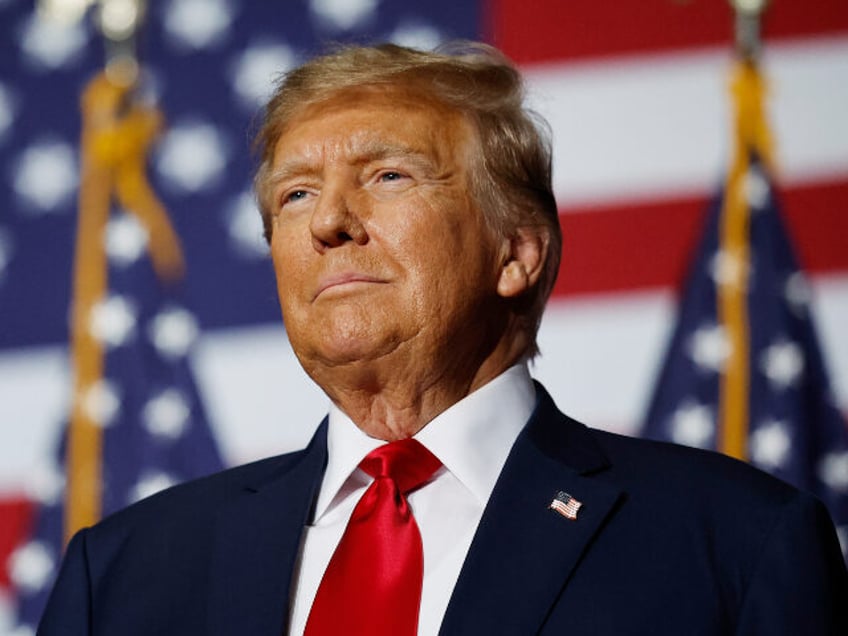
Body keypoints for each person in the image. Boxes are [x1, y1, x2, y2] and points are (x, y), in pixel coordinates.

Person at [39, 42, 847, 635]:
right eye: (294, 195)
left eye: (388, 176)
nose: (328, 222)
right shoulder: (122, 573)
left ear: (515, 252)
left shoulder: (734, 543)